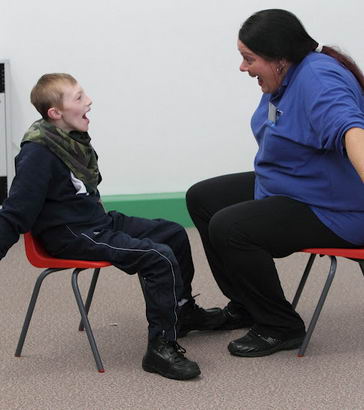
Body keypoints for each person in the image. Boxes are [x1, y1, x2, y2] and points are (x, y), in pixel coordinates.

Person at [0, 73, 226, 380]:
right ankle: (160, 347)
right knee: (157, 257)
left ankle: (182, 311)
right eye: (78, 98)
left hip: (94, 223)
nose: (89, 101)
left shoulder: (68, 140)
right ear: (56, 113)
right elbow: (17, 212)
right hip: (70, 235)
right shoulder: (38, 153)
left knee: (172, 233)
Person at [186, 9, 364, 358]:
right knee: (203, 198)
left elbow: (352, 130)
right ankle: (247, 304)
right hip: (294, 186)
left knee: (231, 228)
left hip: (338, 208)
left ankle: (280, 326)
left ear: (280, 58)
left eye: (249, 58)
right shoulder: (289, 77)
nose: (243, 67)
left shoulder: (319, 79)